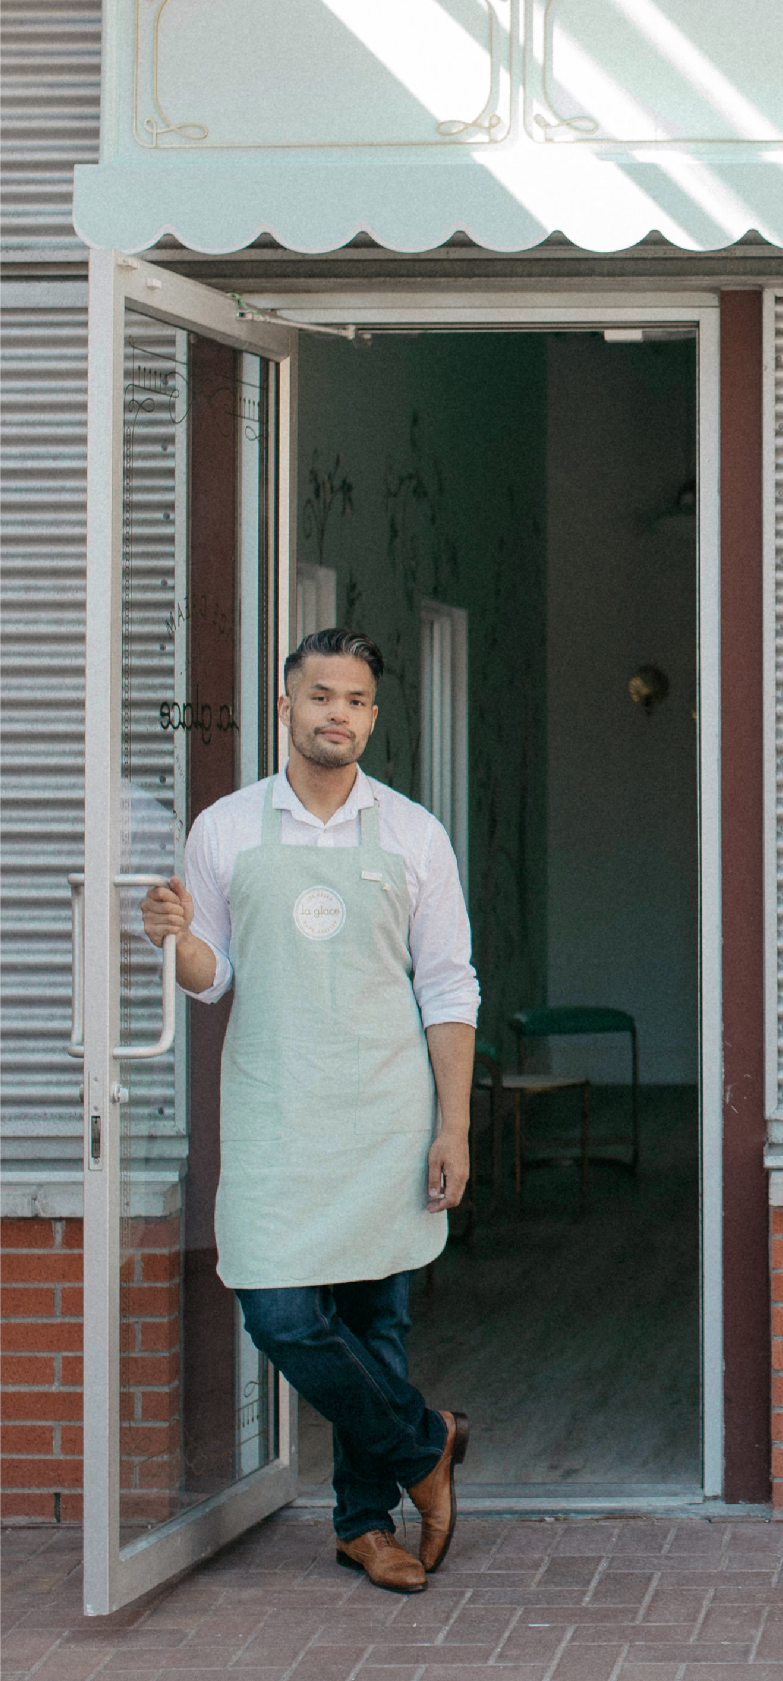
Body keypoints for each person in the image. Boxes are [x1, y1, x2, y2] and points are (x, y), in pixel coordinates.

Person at [140, 627, 476, 1595]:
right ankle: (426, 1441)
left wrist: (451, 1126)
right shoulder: (227, 828)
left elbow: (449, 988)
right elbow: (214, 979)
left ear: (374, 714)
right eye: (321, 695)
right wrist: (172, 939)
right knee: (280, 1311)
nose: (339, 713)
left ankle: (365, 1527)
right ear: (284, 708)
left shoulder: (413, 833)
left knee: (376, 1324)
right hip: (275, 1109)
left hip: (385, 1112)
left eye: (358, 699)